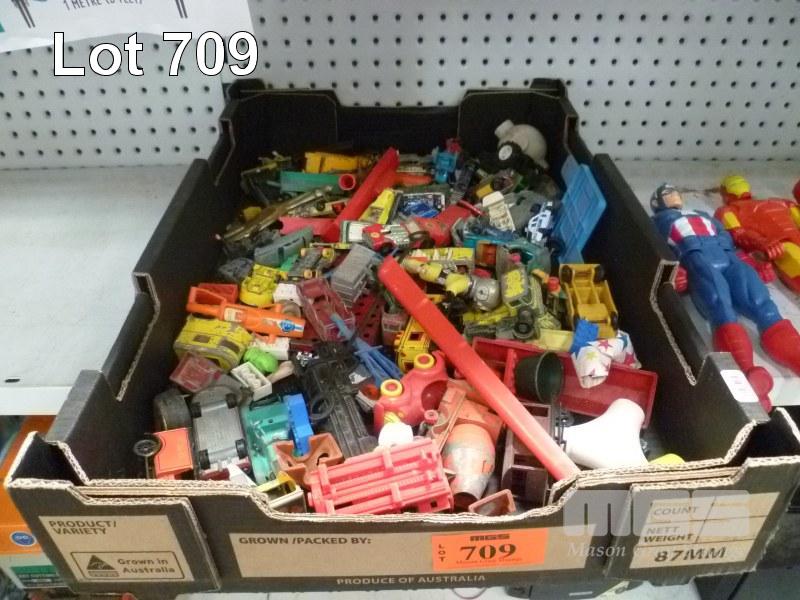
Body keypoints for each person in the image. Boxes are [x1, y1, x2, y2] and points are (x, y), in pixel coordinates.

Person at [650, 184, 800, 409]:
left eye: (674, 192)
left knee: (764, 305)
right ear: (657, 202)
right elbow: (655, 248)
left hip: (729, 257)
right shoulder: (658, 222)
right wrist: (673, 269)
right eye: (667, 194)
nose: (674, 196)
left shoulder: (701, 214)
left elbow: (729, 235)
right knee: (720, 307)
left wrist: (752, 257)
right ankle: (746, 376)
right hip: (697, 259)